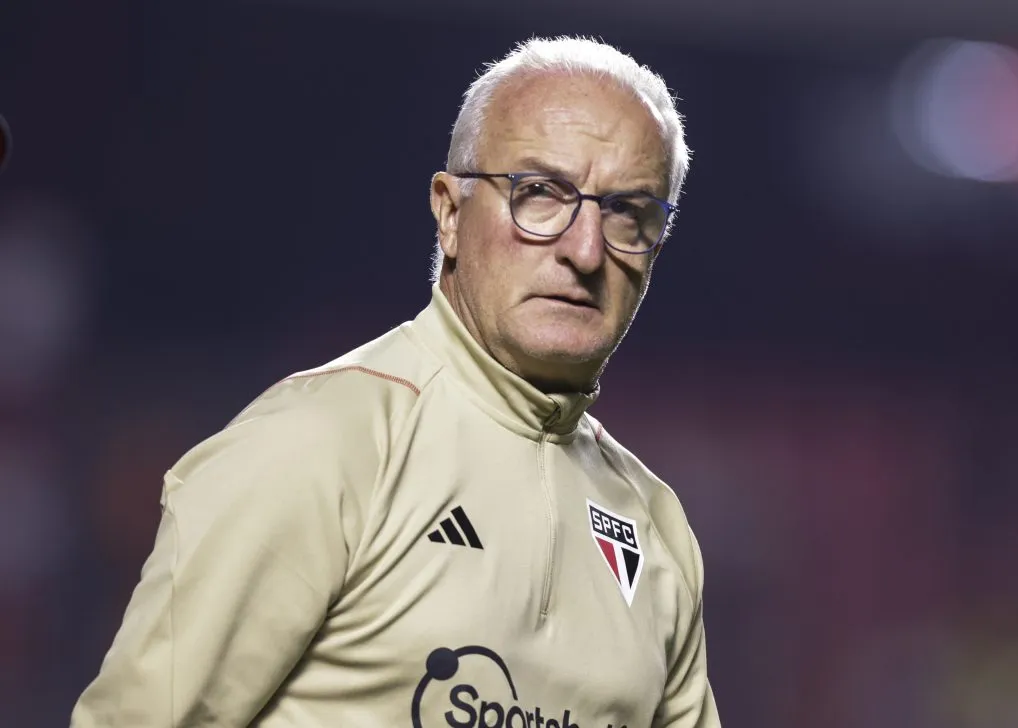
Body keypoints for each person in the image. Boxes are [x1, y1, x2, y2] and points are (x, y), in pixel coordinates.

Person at [71, 35, 720, 728]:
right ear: (449, 214)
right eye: (539, 194)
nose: (585, 250)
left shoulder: (657, 528)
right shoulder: (318, 446)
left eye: (628, 213)